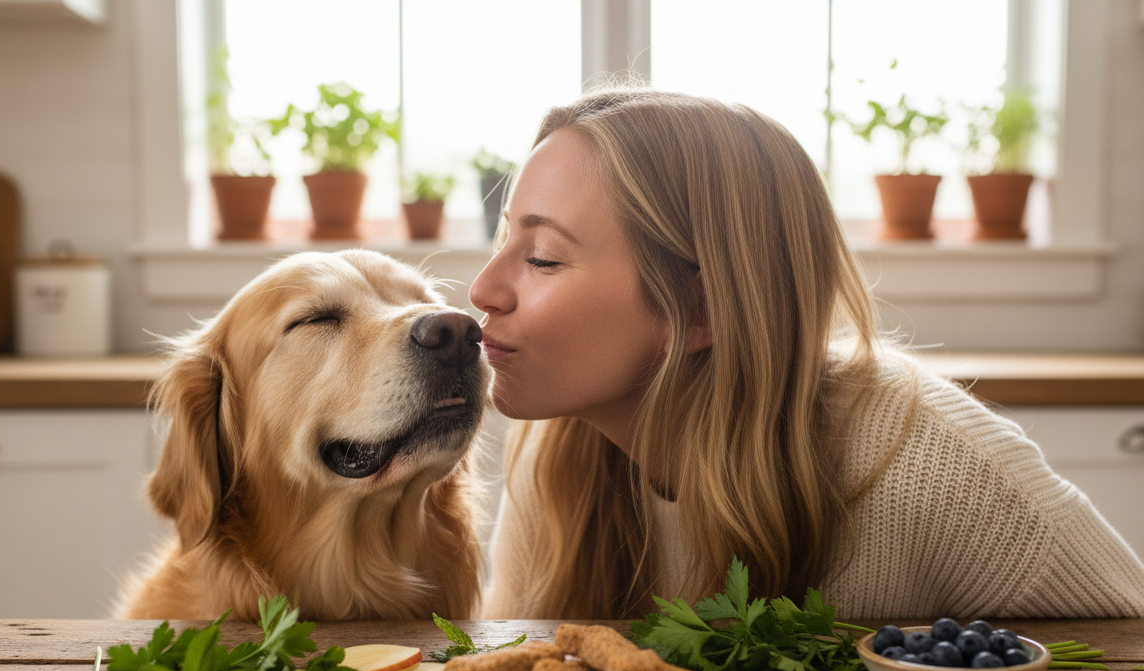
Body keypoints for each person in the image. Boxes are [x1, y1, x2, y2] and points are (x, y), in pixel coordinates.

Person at [468, 87, 1144, 621]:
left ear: (700, 309)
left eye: (544, 257)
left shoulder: (938, 467)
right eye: (503, 241)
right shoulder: (554, 454)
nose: (482, 290)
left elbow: (1123, 665)